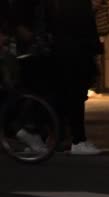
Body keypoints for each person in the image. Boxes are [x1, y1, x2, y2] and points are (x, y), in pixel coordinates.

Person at [13, 0, 102, 155]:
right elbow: (81, 23)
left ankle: (42, 134)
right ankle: (75, 140)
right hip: (72, 50)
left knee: (61, 95)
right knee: (70, 95)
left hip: (61, 49)